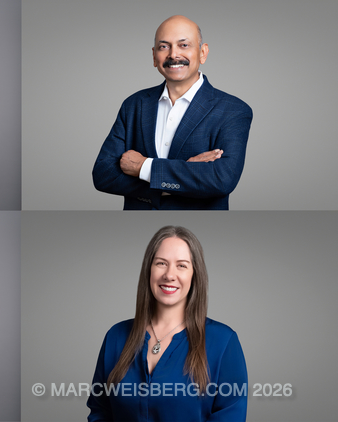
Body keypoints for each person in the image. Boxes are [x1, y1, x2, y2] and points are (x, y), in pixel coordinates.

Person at [86, 226, 247, 421]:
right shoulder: (116, 336)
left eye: (182, 265)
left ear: (195, 274)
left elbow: (230, 415)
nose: (169, 275)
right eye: (161, 263)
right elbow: (100, 411)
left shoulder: (223, 342)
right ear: (149, 270)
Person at [91, 15, 252, 210]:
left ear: (203, 53)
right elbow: (103, 175)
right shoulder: (133, 104)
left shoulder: (233, 110)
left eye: (184, 45)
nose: (173, 55)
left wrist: (143, 167)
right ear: (154, 56)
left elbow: (222, 179)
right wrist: (186, 172)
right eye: (164, 46)